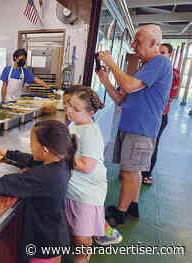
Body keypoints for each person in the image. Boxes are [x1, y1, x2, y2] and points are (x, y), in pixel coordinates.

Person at [0, 120, 74, 263]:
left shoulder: (44, 176)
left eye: (32, 144)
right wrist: (10, 154)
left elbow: (3, 184)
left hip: (43, 242)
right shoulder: (60, 162)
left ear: (45, 150)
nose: (30, 148)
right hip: (55, 234)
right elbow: (34, 160)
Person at [96, 24, 173, 226]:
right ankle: (132, 205)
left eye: (138, 42)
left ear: (154, 44)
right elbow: (121, 98)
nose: (133, 45)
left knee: (129, 172)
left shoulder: (160, 62)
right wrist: (105, 81)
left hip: (141, 129)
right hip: (131, 126)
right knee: (134, 171)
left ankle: (119, 213)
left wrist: (112, 64)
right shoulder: (145, 67)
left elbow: (129, 86)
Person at [65, 87, 122, 263]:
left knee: (82, 239)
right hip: (72, 189)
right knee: (74, 233)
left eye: (75, 109)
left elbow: (87, 166)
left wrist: (61, 153)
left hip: (86, 193)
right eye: (69, 105)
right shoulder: (74, 124)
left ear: (90, 113)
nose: (69, 110)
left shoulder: (91, 132)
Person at [142, 43, 181, 185]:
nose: (159, 55)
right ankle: (134, 171)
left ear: (170, 55)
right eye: (158, 52)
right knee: (140, 142)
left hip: (158, 115)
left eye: (163, 53)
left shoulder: (173, 73)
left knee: (152, 144)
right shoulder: (149, 69)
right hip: (145, 115)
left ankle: (147, 173)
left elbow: (170, 97)